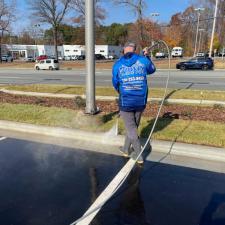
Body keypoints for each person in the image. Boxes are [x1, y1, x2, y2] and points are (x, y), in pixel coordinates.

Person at [112, 41, 156, 164]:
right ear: (134, 50)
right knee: (133, 127)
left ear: (124, 50)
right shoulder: (143, 60)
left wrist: (121, 91)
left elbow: (115, 83)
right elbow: (152, 69)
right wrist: (147, 56)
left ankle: (138, 154)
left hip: (126, 102)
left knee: (131, 129)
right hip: (140, 100)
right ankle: (126, 149)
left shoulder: (118, 65)